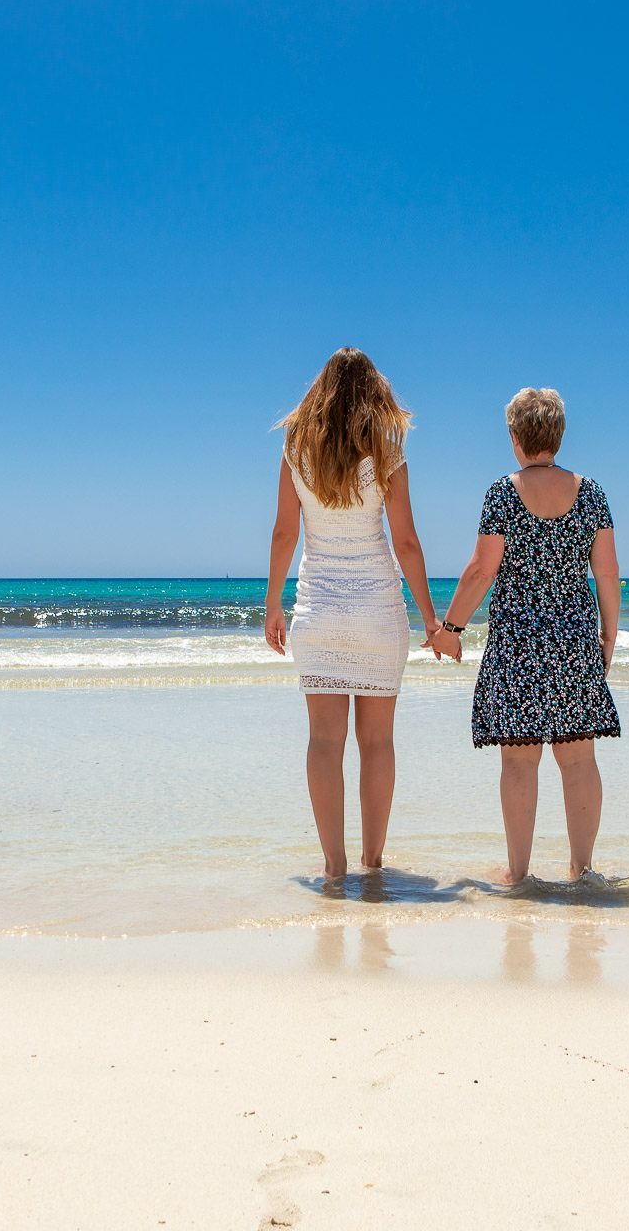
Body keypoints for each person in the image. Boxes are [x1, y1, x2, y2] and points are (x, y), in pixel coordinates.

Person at [265, 348, 445, 880]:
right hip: (377, 611)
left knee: (324, 742)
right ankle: (373, 862)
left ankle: (334, 867)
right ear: (374, 394)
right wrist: (431, 619)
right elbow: (407, 541)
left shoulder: (297, 451)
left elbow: (284, 533)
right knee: (378, 743)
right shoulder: (387, 453)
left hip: (318, 611)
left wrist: (273, 602)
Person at [432, 388, 621, 883]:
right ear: (558, 435)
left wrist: (450, 629)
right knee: (578, 760)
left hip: (517, 641)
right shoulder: (593, 494)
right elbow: (606, 573)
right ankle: (582, 871)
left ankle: (518, 874)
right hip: (574, 639)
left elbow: (480, 570)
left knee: (519, 763)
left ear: (515, 437)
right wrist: (609, 635)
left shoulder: (502, 494)